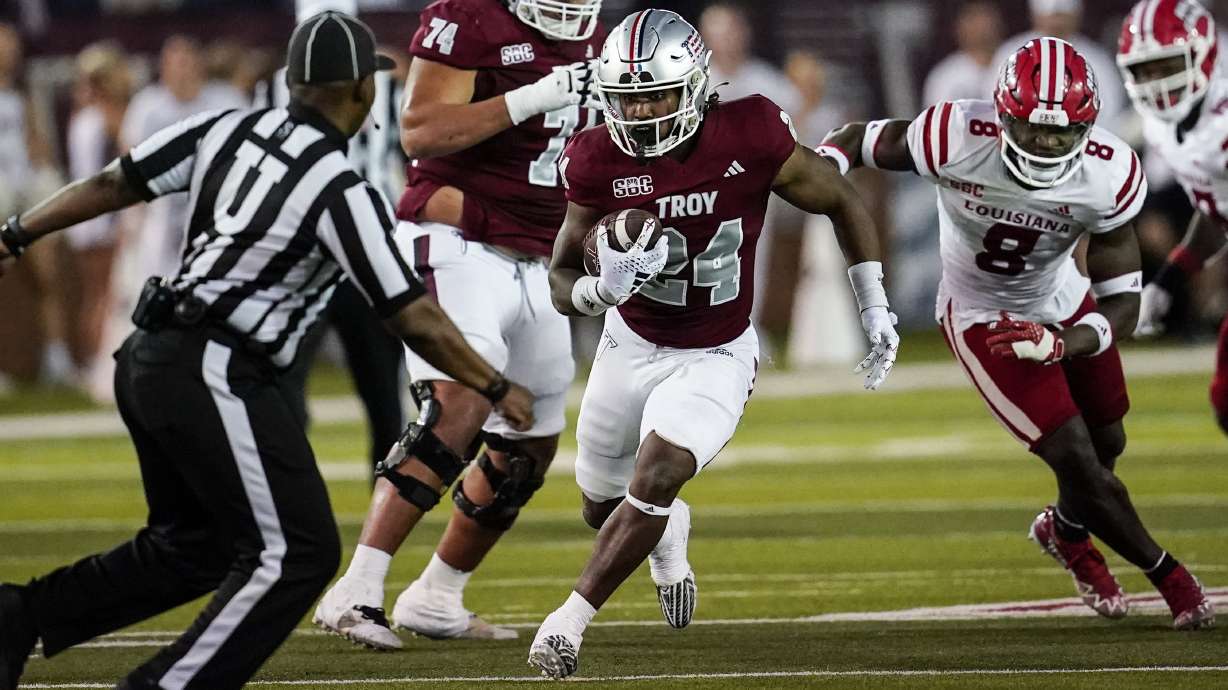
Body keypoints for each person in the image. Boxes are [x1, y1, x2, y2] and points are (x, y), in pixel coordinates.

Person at [0, 12, 534, 690]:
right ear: (362, 93)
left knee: (196, 549)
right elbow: (412, 316)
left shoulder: (225, 128)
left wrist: (17, 232)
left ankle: (18, 617)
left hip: (151, 355)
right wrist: (494, 385)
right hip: (212, 362)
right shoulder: (340, 186)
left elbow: (116, 182)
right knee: (298, 554)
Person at [528, 9, 900, 678]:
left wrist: (874, 305)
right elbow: (559, 278)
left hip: (717, 350)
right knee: (597, 505)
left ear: (696, 86)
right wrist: (598, 293)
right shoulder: (594, 155)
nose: (639, 111)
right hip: (630, 339)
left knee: (661, 470)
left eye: (655, 94)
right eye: (627, 96)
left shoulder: (751, 130)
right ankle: (665, 529)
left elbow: (840, 197)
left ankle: (569, 620)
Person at [823, 38, 1214, 632]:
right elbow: (857, 139)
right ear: (1001, 114)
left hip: (1060, 302)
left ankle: (1062, 529)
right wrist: (823, 168)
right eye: (1033, 129)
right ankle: (1169, 577)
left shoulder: (1109, 173)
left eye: (1061, 134)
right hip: (982, 314)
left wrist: (1060, 341)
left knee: (1109, 443)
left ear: (1088, 127)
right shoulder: (953, 135)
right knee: (1078, 457)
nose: (1046, 144)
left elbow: (1123, 309)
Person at [312, 0, 606, 650]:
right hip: (457, 239)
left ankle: (437, 594)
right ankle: (355, 589)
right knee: (459, 401)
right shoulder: (470, 17)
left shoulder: (600, 37)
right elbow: (420, 131)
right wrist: (535, 96)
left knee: (528, 447)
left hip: (536, 258)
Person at [1120, 0, 1228, 439]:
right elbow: (1218, 212)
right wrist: (1168, 279)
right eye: (1144, 71)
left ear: (1202, 54)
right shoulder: (1164, 126)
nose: (1156, 83)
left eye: (1166, 66)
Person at [64, 41, 132, 379]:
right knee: (103, 295)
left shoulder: (81, 116)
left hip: (83, 218)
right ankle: (95, 365)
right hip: (103, 217)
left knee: (95, 295)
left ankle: (89, 362)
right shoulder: (105, 117)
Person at [989, 0, 1126, 128]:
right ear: (1035, 15)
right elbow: (992, 106)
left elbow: (1111, 116)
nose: (1057, 23)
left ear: (1077, 16)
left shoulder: (1097, 60)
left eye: (1062, 16)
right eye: (1052, 16)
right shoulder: (1011, 54)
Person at [924, 0, 1004, 106]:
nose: (982, 23)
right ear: (957, 26)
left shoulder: (1017, 56)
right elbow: (938, 120)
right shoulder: (944, 78)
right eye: (973, 17)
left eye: (986, 13)